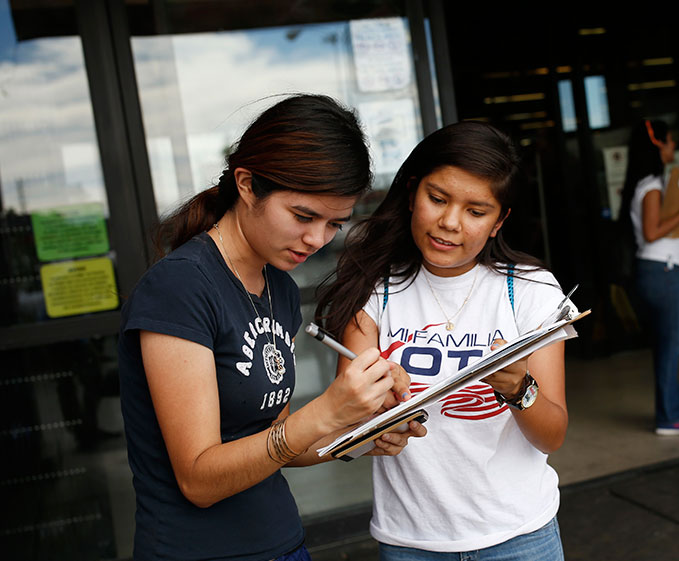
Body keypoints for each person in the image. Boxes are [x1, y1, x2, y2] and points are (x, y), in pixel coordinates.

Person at [117, 94, 425, 561]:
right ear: (246, 184)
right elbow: (199, 480)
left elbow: (279, 440)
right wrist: (324, 411)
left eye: (333, 225)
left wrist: (361, 432)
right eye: (303, 216)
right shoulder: (180, 288)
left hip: (282, 542)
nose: (317, 239)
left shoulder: (276, 286)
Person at [316, 121, 573, 560]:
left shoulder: (531, 291)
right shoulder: (374, 289)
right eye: (437, 199)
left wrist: (517, 388)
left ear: (499, 222)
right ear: (413, 192)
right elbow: (346, 430)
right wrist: (377, 420)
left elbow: (551, 436)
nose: (450, 223)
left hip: (520, 535)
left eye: (476, 212)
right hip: (411, 542)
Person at [619, 119, 679, 436]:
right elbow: (653, 231)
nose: (673, 147)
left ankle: (678, 406)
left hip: (657, 270)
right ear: (658, 144)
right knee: (671, 345)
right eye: (670, 141)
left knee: (667, 344)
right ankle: (669, 417)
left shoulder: (644, 183)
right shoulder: (653, 186)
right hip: (663, 270)